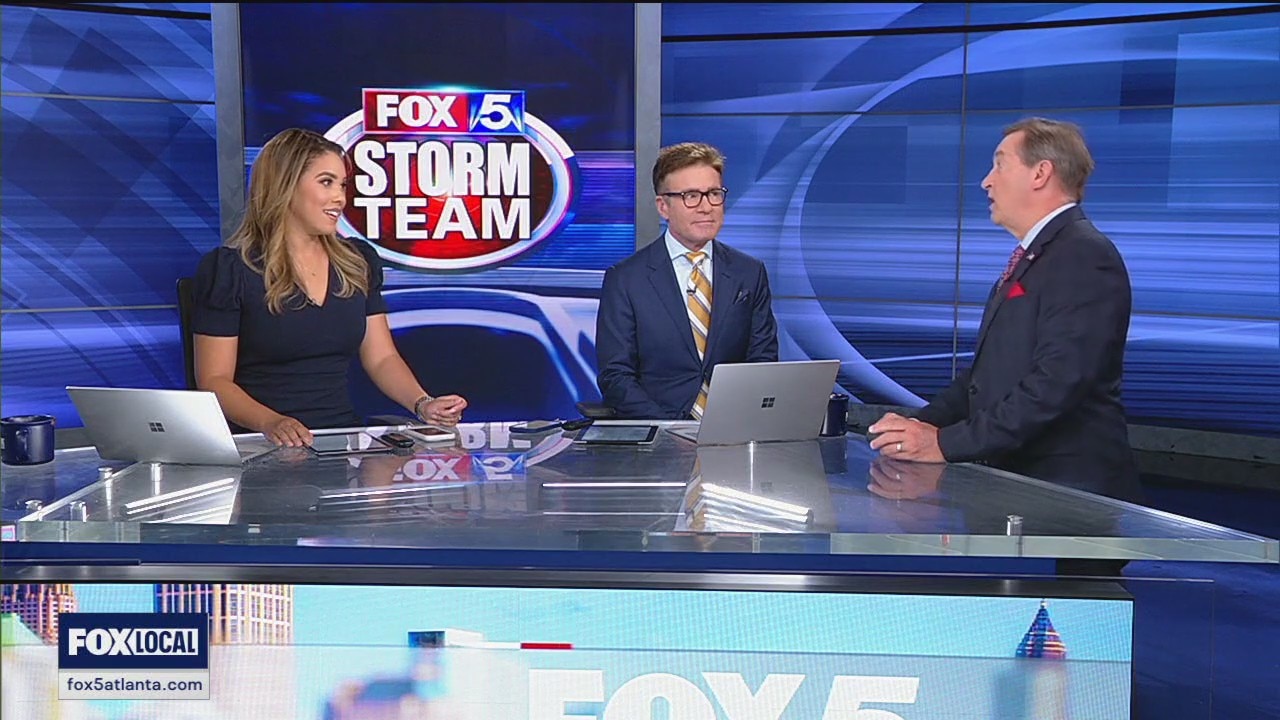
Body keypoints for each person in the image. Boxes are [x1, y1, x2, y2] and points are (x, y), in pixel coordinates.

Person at [869, 117, 1142, 508]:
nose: (986, 181)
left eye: (999, 164)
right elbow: (987, 377)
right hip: (1016, 492)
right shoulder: (1041, 255)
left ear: (1040, 173)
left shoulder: (1084, 255)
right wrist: (922, 425)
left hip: (1066, 502)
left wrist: (945, 443)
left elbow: (1056, 384)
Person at [191, 128, 467, 447]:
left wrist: (422, 403)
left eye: (342, 185)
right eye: (326, 182)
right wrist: (271, 422)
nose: (340, 197)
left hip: (338, 439)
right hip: (260, 443)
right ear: (284, 185)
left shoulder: (357, 262)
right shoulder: (231, 270)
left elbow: (382, 357)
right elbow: (214, 380)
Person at [595, 142, 779, 419]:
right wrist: (669, 430)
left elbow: (762, 361)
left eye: (714, 194)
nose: (706, 207)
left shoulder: (749, 273)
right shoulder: (626, 280)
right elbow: (616, 376)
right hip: (657, 432)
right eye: (691, 196)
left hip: (731, 429)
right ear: (663, 207)